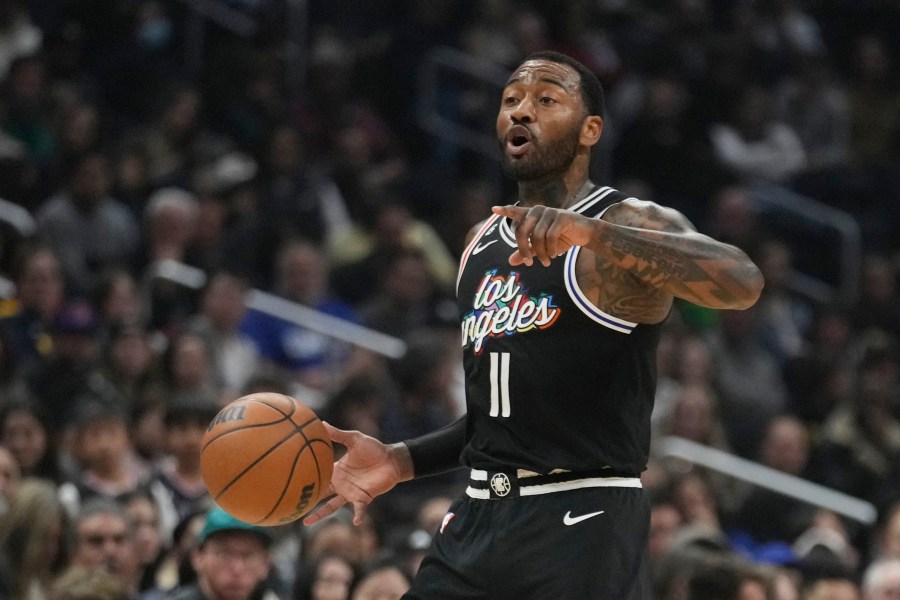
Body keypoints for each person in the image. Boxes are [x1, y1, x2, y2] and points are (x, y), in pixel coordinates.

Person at [304, 50, 763, 599]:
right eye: (511, 100)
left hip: (583, 514)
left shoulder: (625, 222)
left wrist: (593, 236)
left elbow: (742, 283)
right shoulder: (479, 242)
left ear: (590, 129)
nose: (522, 111)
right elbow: (498, 416)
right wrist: (400, 462)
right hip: (479, 515)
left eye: (546, 100)